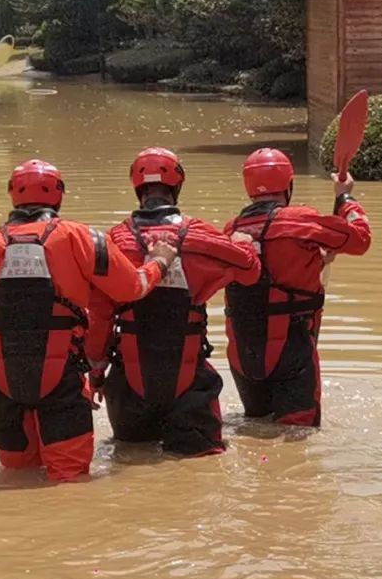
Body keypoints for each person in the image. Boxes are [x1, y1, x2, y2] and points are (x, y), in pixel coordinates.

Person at [0, 159, 177, 481]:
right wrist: (159, 262)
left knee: (14, 481)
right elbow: (132, 288)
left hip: (3, 389)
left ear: (13, 195)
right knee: (70, 485)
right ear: (58, 195)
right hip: (62, 386)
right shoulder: (81, 237)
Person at [86, 147, 261, 457]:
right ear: (177, 186)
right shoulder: (199, 234)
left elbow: (100, 317)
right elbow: (250, 272)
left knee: (130, 464)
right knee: (201, 467)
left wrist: (97, 374)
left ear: (138, 189)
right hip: (189, 383)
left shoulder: (114, 241)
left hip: (129, 387)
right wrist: (243, 243)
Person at [222, 148, 372, 427]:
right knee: (297, 439)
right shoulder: (301, 220)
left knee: (257, 429)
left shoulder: (230, 231)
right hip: (292, 353)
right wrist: (345, 198)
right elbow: (360, 239)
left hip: (244, 356)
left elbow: (264, 271)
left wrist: (316, 260)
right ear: (288, 184)